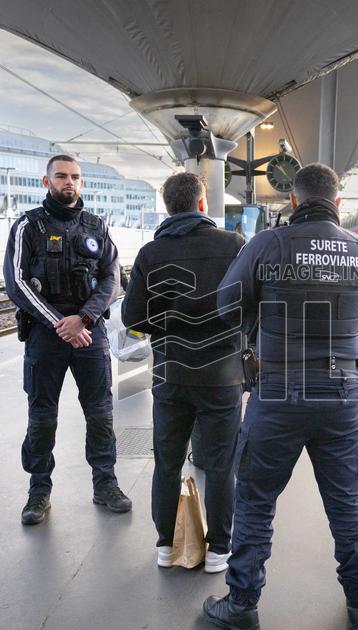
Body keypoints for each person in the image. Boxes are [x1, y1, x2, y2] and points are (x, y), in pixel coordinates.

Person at [203, 163, 358, 630]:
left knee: (256, 501)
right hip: (341, 395)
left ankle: (243, 606)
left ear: (294, 201)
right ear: (338, 203)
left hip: (278, 394)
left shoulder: (268, 244)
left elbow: (226, 305)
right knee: (345, 502)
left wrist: (258, 323)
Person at [121, 172, 245, 572]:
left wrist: (168, 324)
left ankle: (165, 545)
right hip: (222, 375)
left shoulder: (151, 253)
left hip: (171, 374)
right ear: (202, 203)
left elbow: (132, 316)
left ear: (167, 207)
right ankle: (219, 549)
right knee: (222, 465)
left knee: (168, 462)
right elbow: (250, 306)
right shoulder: (233, 245)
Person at [3, 154, 130, 525]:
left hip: (90, 332)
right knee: (42, 416)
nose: (68, 182)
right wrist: (61, 323)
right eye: (61, 176)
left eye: (75, 176)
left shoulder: (96, 226)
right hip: (46, 335)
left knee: (100, 413)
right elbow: (16, 282)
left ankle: (105, 484)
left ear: (82, 182)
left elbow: (111, 279)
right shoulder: (28, 226)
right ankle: (38, 491)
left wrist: (84, 319)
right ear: (47, 182)